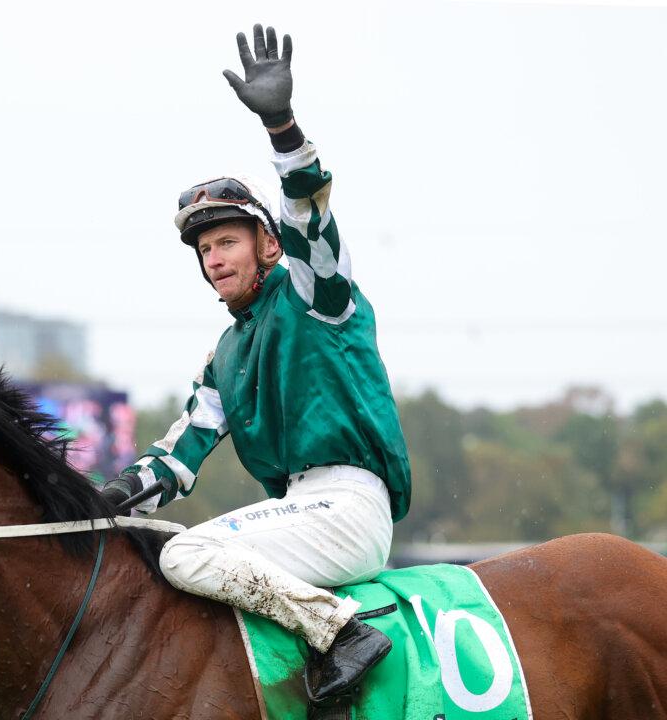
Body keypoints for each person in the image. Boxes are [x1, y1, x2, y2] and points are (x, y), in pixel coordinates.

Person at [102, 25, 411, 704]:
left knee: (183, 554)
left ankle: (345, 633)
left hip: (351, 507)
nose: (214, 258)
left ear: (267, 244)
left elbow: (310, 211)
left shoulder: (311, 290)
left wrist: (281, 125)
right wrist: (106, 498)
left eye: (226, 240)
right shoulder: (224, 357)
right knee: (153, 546)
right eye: (205, 249)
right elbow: (177, 458)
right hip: (297, 509)